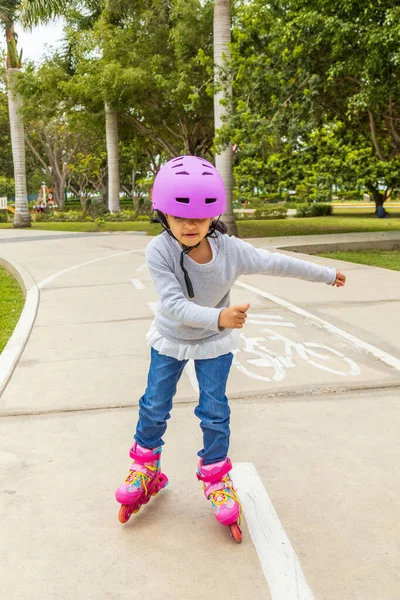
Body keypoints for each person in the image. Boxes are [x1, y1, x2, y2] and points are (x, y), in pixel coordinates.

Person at [115, 156, 346, 537]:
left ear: (213, 216)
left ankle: (215, 477)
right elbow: (172, 304)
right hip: (171, 339)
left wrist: (326, 274)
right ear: (162, 215)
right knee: (154, 404)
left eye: (200, 218)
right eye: (178, 216)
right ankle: (146, 468)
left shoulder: (231, 250)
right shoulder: (159, 251)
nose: (190, 226)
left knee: (214, 410)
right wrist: (219, 316)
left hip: (213, 345)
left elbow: (276, 263)